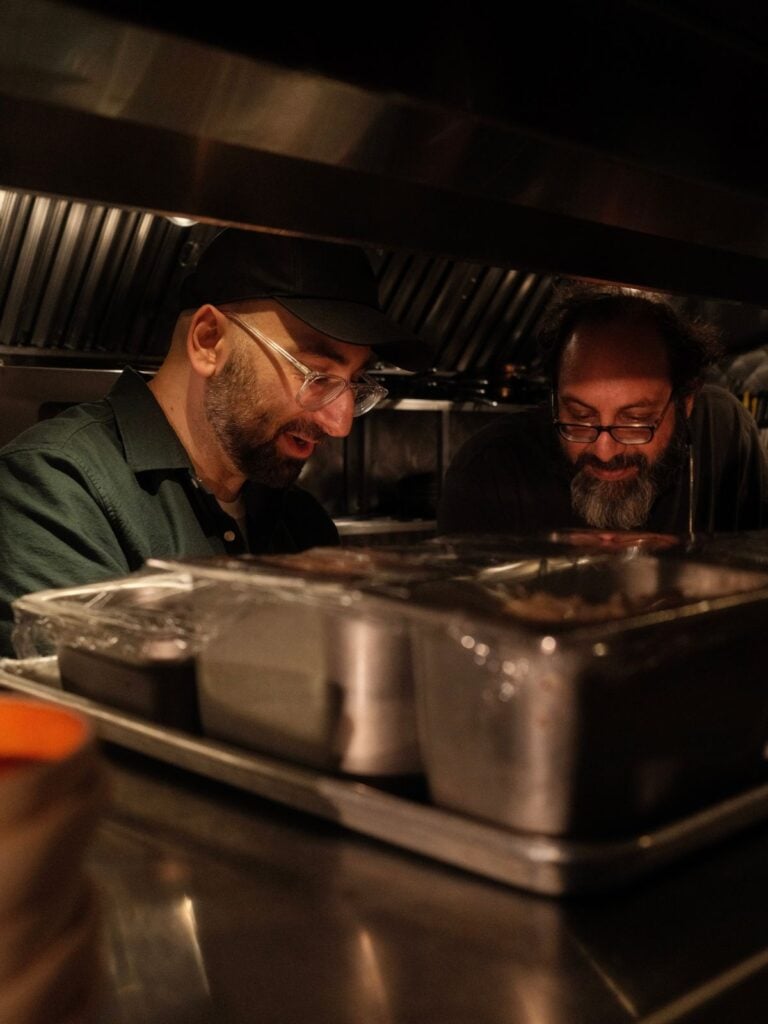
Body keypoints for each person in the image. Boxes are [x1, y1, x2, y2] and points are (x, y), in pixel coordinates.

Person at [0, 228, 431, 655]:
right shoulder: (56, 486)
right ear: (208, 340)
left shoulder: (302, 522)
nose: (339, 425)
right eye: (315, 375)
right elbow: (85, 709)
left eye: (354, 384)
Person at [437, 281, 768, 539]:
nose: (605, 451)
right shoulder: (488, 469)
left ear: (686, 401)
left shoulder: (724, 429)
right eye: (580, 417)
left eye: (636, 419)